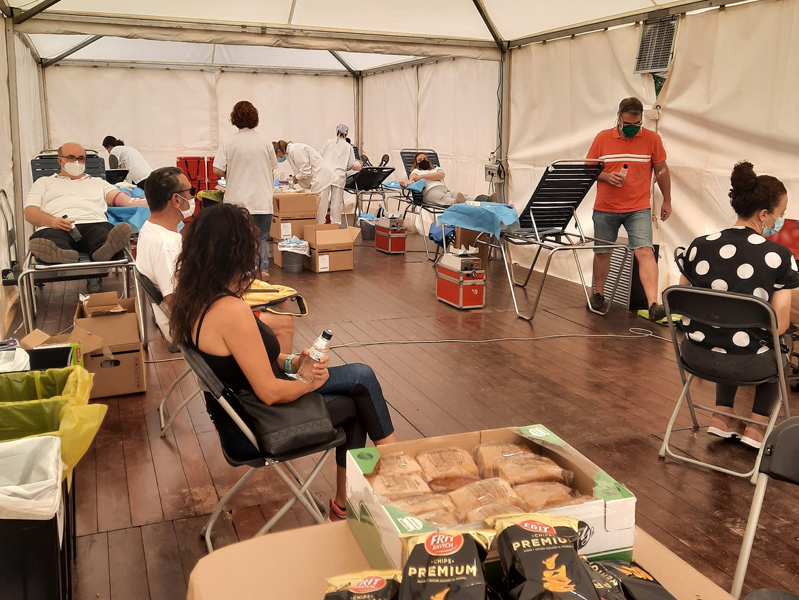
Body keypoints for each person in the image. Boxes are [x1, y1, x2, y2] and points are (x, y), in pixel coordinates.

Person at [169, 203, 397, 520]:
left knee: (360, 379)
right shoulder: (229, 311)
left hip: (244, 409)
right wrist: (306, 382)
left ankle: (352, 500)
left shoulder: (197, 298)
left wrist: (292, 362)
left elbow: (246, 360)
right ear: (233, 252)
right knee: (360, 392)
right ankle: (391, 477)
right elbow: (270, 393)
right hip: (257, 424)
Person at [679, 161, 799, 449]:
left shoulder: (699, 245)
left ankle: (721, 416)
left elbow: (682, 300)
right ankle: (756, 429)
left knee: (723, 324)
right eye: (781, 214)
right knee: (781, 339)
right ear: (764, 214)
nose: (781, 220)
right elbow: (778, 324)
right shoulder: (779, 256)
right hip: (749, 366)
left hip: (695, 355)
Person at [137, 167, 293, 352]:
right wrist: (227, 302)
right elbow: (176, 301)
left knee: (277, 298)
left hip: (193, 312)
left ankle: (261, 365)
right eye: (191, 191)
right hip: (192, 326)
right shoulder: (165, 245)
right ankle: (270, 377)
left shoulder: (149, 229)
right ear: (176, 200)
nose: (194, 197)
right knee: (283, 323)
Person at [586, 97, 672, 321]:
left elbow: (662, 170)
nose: (633, 128)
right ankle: (598, 293)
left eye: (637, 124)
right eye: (628, 124)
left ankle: (653, 303)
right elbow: (588, 169)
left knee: (644, 250)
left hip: (638, 207)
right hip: (606, 207)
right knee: (603, 251)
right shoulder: (603, 138)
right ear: (619, 118)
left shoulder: (652, 139)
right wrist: (605, 176)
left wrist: (667, 200)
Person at [24, 142, 145, 265]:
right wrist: (52, 222)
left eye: (81, 158)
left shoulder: (98, 182)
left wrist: (152, 201)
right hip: (56, 225)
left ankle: (104, 250)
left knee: (103, 235)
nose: (77, 162)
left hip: (94, 223)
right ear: (60, 161)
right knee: (50, 238)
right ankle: (61, 254)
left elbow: (124, 200)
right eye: (71, 157)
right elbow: (29, 212)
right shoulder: (43, 182)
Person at [213, 101, 279, 275]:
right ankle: (263, 269)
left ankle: (242, 271)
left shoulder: (229, 142)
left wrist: (231, 170)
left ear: (234, 119)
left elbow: (216, 169)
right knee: (261, 237)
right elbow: (274, 167)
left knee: (237, 238)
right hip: (262, 199)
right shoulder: (265, 142)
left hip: (237, 200)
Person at [272, 140, 336, 225]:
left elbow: (306, 171)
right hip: (318, 178)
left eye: (276, 156)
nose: (277, 159)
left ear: (279, 151)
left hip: (321, 178)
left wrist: (295, 178)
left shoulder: (295, 150)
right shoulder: (290, 152)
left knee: (319, 212)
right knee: (317, 210)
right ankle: (316, 231)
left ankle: (318, 232)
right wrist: (295, 178)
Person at [320, 124, 362, 225]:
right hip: (339, 176)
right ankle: (335, 225)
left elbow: (320, 156)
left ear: (336, 132)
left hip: (326, 174)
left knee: (323, 202)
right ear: (346, 134)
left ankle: (320, 224)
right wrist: (358, 164)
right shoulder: (348, 147)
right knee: (336, 203)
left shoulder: (328, 143)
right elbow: (351, 164)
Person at [400, 152, 467, 206]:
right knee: (442, 197)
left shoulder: (436, 168)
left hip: (445, 190)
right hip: (430, 192)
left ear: (428, 160)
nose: (423, 160)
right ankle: (455, 203)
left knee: (459, 195)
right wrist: (406, 183)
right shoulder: (416, 171)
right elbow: (412, 179)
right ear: (417, 164)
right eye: (420, 160)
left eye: (425, 158)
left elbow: (441, 175)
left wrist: (421, 176)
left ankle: (474, 201)